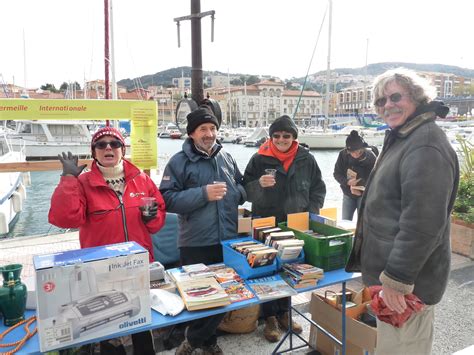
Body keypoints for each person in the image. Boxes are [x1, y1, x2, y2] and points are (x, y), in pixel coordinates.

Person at [346, 68, 459, 354]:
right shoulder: (407, 136)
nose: (387, 105)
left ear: (417, 97)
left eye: (395, 96)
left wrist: (396, 281)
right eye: (380, 101)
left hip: (408, 287)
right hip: (397, 281)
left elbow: (422, 224)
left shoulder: (425, 144)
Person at [49, 126, 166, 355]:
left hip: (137, 265)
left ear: (123, 149)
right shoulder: (82, 183)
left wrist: (153, 217)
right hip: (100, 270)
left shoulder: (141, 179)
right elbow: (65, 219)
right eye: (101, 145)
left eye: (115, 144)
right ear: (94, 152)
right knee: (106, 327)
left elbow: (156, 223)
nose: (108, 148)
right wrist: (68, 179)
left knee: (141, 323)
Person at [159, 106, 246, 355]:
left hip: (227, 238)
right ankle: (197, 339)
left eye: (212, 128)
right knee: (199, 295)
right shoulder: (178, 162)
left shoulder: (227, 157)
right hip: (195, 242)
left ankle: (202, 341)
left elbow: (240, 187)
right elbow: (167, 199)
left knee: (224, 295)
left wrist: (238, 193)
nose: (209, 134)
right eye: (203, 129)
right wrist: (203, 194)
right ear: (191, 134)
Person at [243, 115, 326, 342]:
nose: (281, 139)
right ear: (270, 137)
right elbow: (244, 191)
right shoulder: (258, 159)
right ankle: (269, 317)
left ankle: (285, 312)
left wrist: (310, 213)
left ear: (294, 137)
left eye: (286, 136)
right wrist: (257, 185)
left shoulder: (306, 159)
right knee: (267, 269)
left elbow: (318, 188)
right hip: (266, 223)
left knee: (291, 266)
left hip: (295, 224)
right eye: (276, 136)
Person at [333, 130, 377, 220]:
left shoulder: (371, 157)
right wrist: (347, 182)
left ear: (363, 148)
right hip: (348, 193)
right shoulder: (343, 155)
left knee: (363, 223)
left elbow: (376, 179)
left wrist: (362, 189)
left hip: (364, 195)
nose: (356, 154)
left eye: (358, 151)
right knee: (345, 222)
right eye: (352, 152)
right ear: (348, 151)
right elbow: (337, 173)